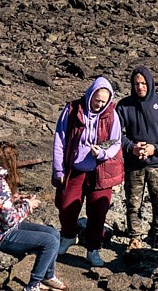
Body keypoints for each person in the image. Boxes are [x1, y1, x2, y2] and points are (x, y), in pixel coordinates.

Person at [0, 141, 68, 291]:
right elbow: (9, 219)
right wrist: (28, 206)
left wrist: (17, 198)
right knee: (50, 241)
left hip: (1, 227)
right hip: (0, 235)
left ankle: (48, 275)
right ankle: (32, 287)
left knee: (53, 233)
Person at [51, 75, 124, 269]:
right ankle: (68, 236)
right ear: (90, 94)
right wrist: (59, 168)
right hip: (74, 170)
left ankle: (93, 249)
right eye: (96, 100)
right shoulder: (73, 110)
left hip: (100, 171)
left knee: (98, 212)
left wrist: (102, 153)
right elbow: (60, 138)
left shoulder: (112, 115)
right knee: (66, 206)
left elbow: (116, 142)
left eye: (103, 101)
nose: (99, 104)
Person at [116, 65, 158, 249]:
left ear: (150, 83)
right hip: (133, 164)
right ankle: (134, 237)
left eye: (143, 83)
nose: (140, 87)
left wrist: (156, 148)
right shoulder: (124, 105)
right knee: (133, 203)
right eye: (136, 83)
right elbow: (116, 134)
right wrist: (131, 147)